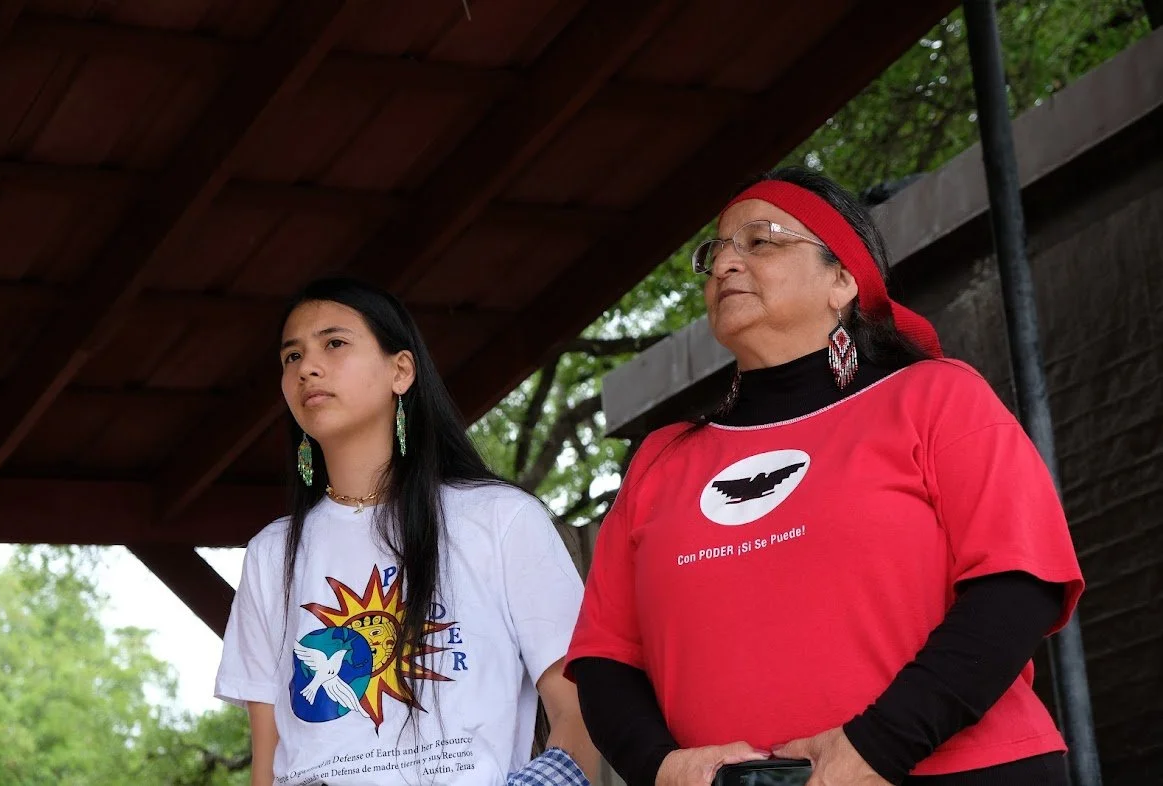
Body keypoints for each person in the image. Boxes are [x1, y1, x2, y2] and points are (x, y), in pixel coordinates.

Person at [565, 168, 1084, 786]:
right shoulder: (659, 459)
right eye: (717, 250)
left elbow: (1019, 585)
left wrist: (873, 750)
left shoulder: (936, 396)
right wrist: (663, 769)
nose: (727, 263)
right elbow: (605, 660)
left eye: (760, 241)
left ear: (843, 279)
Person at [215, 277, 597, 786]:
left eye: (334, 343)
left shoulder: (503, 520)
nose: (307, 367)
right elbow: (267, 761)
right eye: (291, 357)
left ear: (400, 370)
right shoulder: (270, 555)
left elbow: (582, 715)